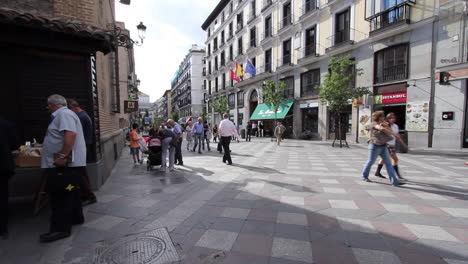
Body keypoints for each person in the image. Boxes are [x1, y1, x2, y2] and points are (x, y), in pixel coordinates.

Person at [40, 94, 86, 243]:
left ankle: (60, 229)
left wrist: (62, 156)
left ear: (53, 105)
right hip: (67, 165)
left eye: (48, 105)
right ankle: (76, 217)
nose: (47, 108)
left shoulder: (64, 114)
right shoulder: (67, 114)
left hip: (63, 165)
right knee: (71, 190)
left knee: (61, 195)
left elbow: (70, 134)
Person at [361, 111, 404, 186]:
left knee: (388, 163)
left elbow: (388, 130)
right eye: (382, 116)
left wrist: (387, 127)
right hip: (375, 145)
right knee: (370, 161)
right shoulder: (373, 123)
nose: (384, 117)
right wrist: (385, 127)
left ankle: (395, 181)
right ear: (379, 117)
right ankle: (364, 176)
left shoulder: (384, 123)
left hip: (383, 146)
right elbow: (380, 128)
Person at [67, 99, 97, 206]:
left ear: (74, 108)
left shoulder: (80, 117)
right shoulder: (83, 115)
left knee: (80, 174)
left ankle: (88, 195)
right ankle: (85, 195)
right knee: (81, 173)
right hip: (82, 147)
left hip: (80, 148)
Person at [0, 118, 20, 239]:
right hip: (2, 165)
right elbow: (15, 144)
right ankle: (2, 228)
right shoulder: (5, 123)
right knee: (2, 196)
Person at [374, 113, 406, 180]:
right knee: (394, 159)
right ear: (387, 118)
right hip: (387, 144)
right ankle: (396, 175)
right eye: (390, 118)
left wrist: (403, 143)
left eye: (393, 118)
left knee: (383, 159)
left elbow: (397, 135)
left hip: (392, 144)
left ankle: (377, 172)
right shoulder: (385, 125)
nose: (392, 119)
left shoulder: (395, 126)